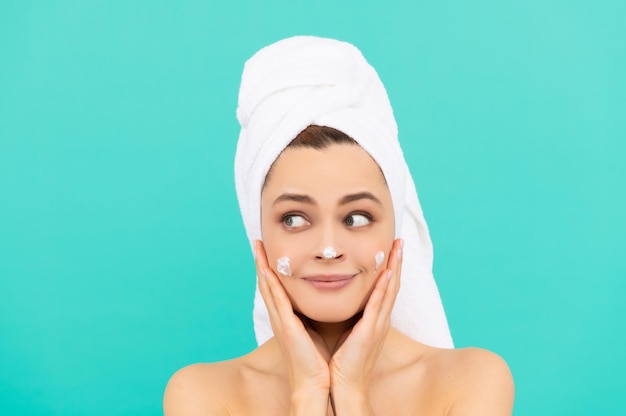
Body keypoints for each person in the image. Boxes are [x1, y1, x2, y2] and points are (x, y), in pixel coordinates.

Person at [164, 36, 514, 416]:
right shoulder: (202, 395)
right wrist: (307, 394)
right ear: (258, 232)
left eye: (356, 218)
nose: (328, 248)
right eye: (294, 219)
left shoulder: (471, 382)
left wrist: (351, 395)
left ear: (395, 230)